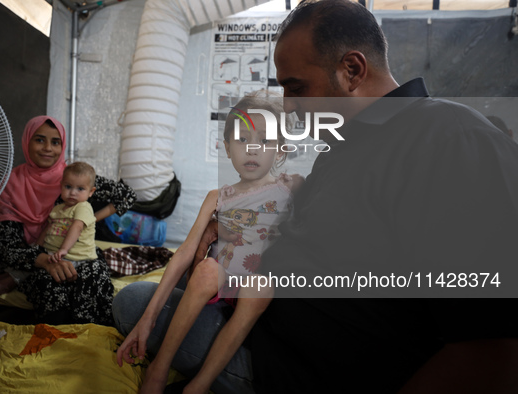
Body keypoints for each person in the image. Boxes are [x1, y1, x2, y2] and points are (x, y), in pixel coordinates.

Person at [195, 1, 518, 393]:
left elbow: (491, 353)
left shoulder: (452, 141)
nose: (290, 107)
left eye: (297, 88)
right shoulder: (344, 149)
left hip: (290, 370)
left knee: (138, 303)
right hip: (258, 324)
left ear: (352, 71)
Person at [113, 92, 301, 394]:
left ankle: (199, 385)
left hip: (252, 294)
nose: (252, 149)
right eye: (241, 139)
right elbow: (186, 252)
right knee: (206, 270)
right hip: (215, 284)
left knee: (261, 287)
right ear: (226, 148)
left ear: (280, 150)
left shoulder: (291, 189)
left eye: (265, 141)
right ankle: (159, 369)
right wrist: (147, 320)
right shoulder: (218, 197)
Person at [0, 115, 136, 325]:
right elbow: (7, 249)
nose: (47, 148)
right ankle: (56, 345)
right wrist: (43, 261)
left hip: (75, 252)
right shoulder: (11, 184)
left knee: (93, 275)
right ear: (27, 141)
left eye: (55, 142)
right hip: (35, 256)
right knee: (50, 284)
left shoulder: (73, 177)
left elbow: (127, 195)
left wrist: (88, 220)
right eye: (39, 139)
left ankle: (92, 341)